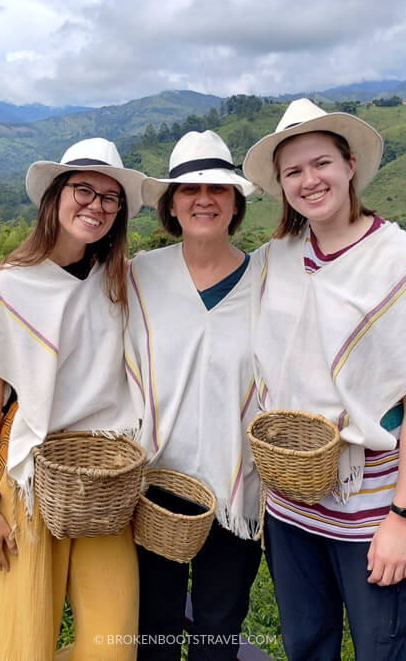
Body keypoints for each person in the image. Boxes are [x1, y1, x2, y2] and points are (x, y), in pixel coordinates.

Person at [241, 99, 406, 660]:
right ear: (282, 185)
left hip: (371, 505)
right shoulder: (276, 259)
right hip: (290, 501)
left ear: (350, 166)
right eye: (294, 172)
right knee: (307, 644)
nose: (310, 181)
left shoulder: (400, 261)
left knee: (384, 648)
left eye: (322, 164)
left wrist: (404, 518)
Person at [0, 138, 146, 660]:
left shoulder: (121, 281)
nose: (97, 205)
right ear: (55, 197)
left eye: (111, 197)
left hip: (105, 479)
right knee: (24, 642)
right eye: (83, 189)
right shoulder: (6, 287)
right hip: (29, 477)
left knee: (114, 644)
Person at [125, 130, 263, 660]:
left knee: (218, 629)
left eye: (218, 189)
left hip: (237, 485)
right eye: (189, 190)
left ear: (234, 204)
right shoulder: (140, 275)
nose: (203, 199)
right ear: (171, 205)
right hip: (156, 481)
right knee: (152, 627)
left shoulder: (267, 279)